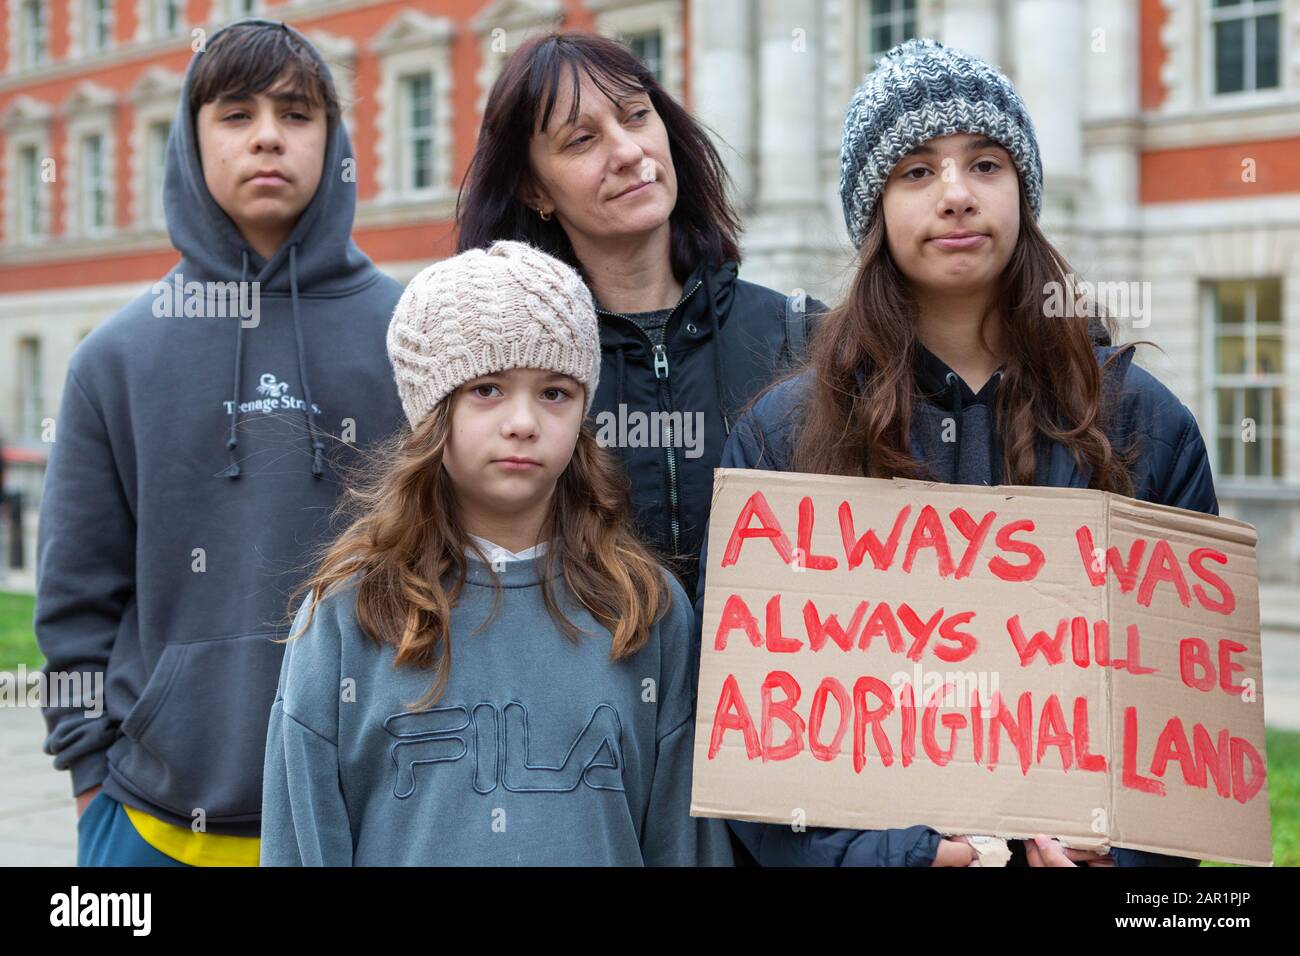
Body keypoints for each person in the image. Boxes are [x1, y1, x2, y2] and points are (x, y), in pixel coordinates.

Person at [695, 38, 1210, 867]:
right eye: (917, 171)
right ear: (876, 211)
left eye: (986, 163)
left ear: (1024, 191)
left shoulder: (1145, 424)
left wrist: (1120, 857)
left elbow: (1186, 722)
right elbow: (752, 749)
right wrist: (895, 857)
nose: (957, 195)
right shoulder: (781, 440)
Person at [36, 18, 406, 866]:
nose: (268, 134)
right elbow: (70, 604)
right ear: (191, 140)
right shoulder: (115, 358)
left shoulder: (409, 337)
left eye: (297, 112)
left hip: (371, 817)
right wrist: (87, 777)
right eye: (235, 114)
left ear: (333, 139)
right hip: (152, 822)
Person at [260, 241, 734, 866]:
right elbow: (302, 843)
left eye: (555, 392)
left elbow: (684, 846)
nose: (523, 421)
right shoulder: (349, 613)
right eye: (487, 389)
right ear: (433, 411)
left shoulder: (646, 609)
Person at [456, 31, 825, 600]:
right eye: (582, 139)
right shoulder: (507, 376)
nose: (629, 152)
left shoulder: (797, 337)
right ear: (534, 190)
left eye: (635, 116)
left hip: (773, 685)